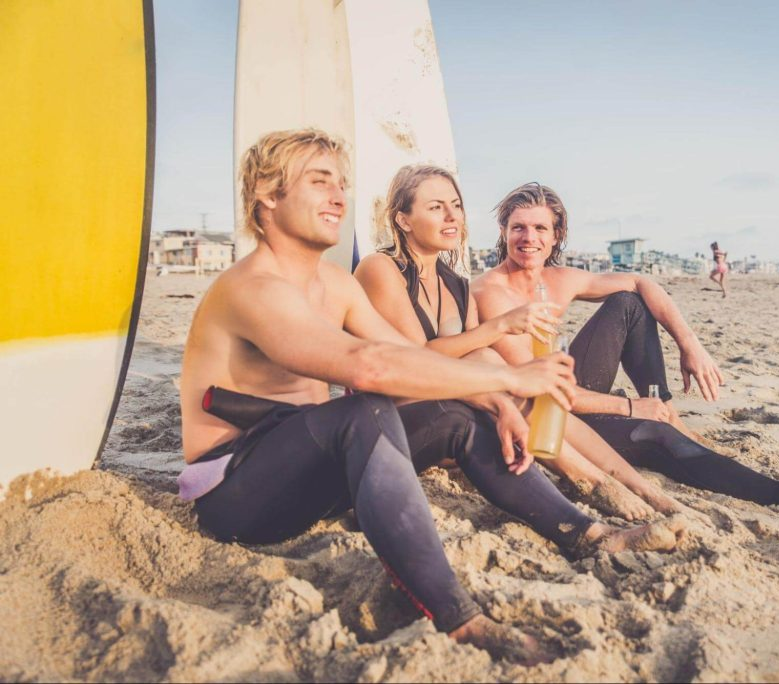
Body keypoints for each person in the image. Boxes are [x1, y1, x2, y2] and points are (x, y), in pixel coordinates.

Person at [178, 131, 686, 664]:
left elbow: (409, 354)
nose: (337, 197)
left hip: (312, 481)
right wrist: (514, 381)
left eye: (341, 185)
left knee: (456, 417)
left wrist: (496, 403)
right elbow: (370, 367)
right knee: (365, 409)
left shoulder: (337, 285)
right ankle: (457, 618)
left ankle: (588, 534)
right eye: (318, 181)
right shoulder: (253, 287)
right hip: (239, 495)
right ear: (267, 194)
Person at [472, 182, 779, 521]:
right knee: (657, 436)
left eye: (540, 228)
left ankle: (668, 410)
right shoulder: (493, 294)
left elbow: (643, 283)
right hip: (549, 420)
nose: (529, 238)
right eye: (518, 228)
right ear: (505, 233)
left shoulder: (562, 278)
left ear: (556, 234)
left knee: (628, 302)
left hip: (572, 391)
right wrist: (633, 408)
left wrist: (689, 344)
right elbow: (541, 391)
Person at [354, 165, 685, 520]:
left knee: (517, 382)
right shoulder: (381, 268)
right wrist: (499, 327)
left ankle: (635, 484)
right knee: (485, 355)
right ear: (403, 220)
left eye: (456, 205)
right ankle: (591, 480)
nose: (452, 216)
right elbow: (415, 360)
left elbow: (467, 360)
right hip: (396, 419)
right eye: (436, 207)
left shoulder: (455, 284)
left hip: (456, 417)